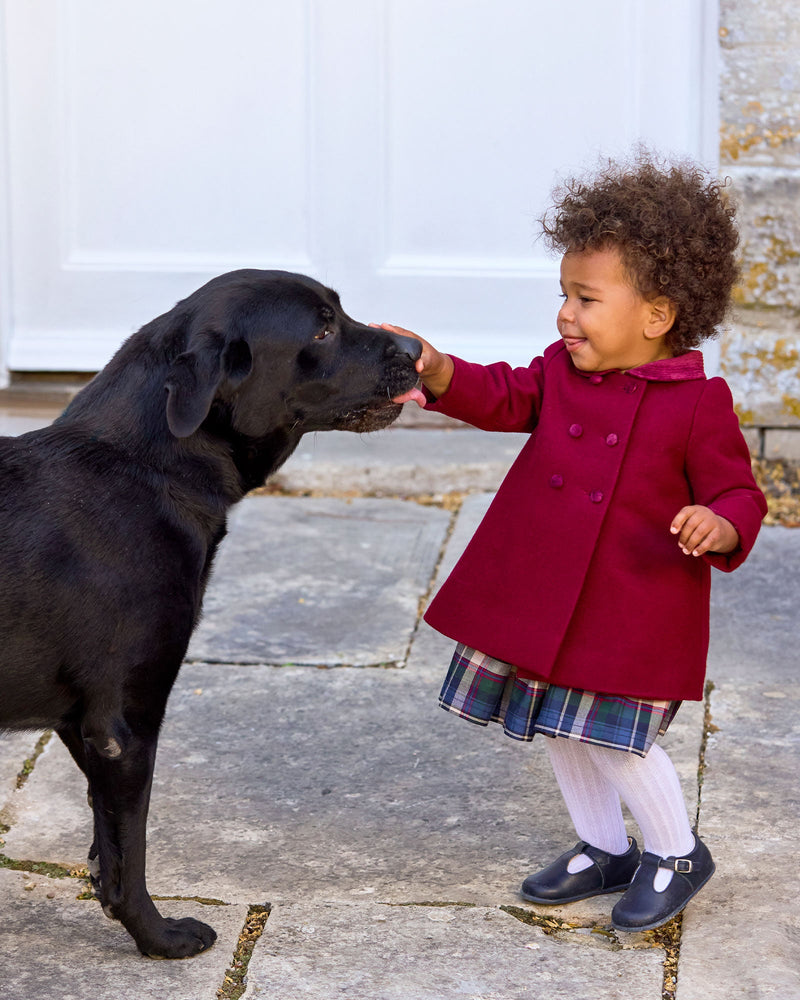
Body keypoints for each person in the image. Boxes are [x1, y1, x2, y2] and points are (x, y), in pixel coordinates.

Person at [383, 151, 768, 932]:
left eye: (586, 298)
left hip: (629, 610)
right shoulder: (560, 371)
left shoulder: (698, 403)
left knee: (619, 743)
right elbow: (503, 394)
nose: (565, 314)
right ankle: (604, 847)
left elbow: (738, 491)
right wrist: (443, 368)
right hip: (543, 597)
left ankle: (674, 853)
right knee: (562, 728)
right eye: (563, 294)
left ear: (656, 315)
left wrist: (720, 522)